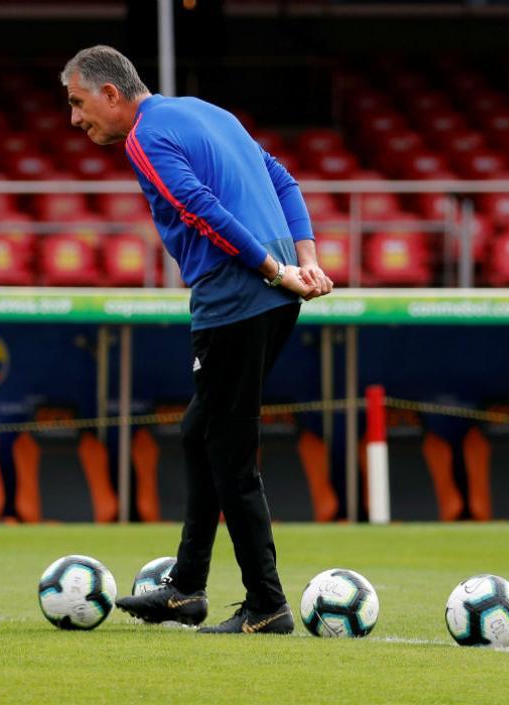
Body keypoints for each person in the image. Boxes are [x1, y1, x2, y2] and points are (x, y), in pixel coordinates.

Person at [60, 45, 333, 634]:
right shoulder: (208, 111)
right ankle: (186, 586)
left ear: (112, 94)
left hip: (236, 297)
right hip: (275, 294)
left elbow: (198, 208)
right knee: (198, 433)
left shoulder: (144, 137)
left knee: (229, 453)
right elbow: (280, 178)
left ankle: (267, 604)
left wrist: (272, 268)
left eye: (79, 104)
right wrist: (302, 260)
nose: (75, 119)